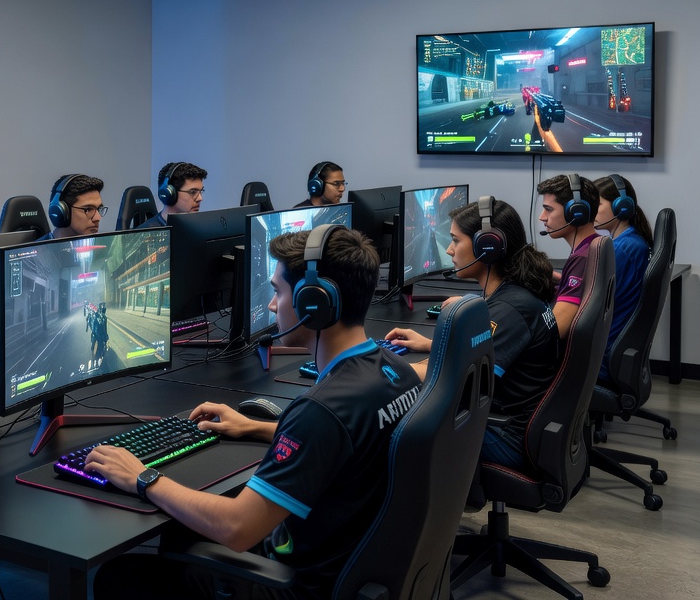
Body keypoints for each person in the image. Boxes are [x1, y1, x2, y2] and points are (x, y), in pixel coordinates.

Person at [87, 226, 420, 600]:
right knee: (184, 526)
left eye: (279, 291)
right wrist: (256, 426)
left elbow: (239, 528)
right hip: (355, 568)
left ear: (316, 302)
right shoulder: (395, 371)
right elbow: (343, 442)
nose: (274, 305)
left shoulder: (321, 411)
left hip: (298, 585)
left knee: (118, 576)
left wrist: (143, 478)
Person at [384, 197, 559, 469]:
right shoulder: (518, 293)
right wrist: (435, 343)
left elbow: (446, 376)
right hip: (514, 423)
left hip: (507, 437)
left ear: (487, 248)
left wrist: (374, 359)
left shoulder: (509, 309)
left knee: (388, 422)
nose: (450, 250)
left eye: (456, 240)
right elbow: (482, 352)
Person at [595, 174, 654, 382]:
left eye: (598, 203)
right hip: (616, 347)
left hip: (603, 356)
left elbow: (594, 302)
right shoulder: (632, 242)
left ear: (621, 207)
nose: (591, 210)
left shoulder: (623, 249)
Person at [537, 173, 601, 340]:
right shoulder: (593, 246)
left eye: (548, 209)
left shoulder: (582, 258)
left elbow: (555, 332)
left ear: (576, 212)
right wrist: (559, 278)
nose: (542, 217)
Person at [142, 161, 208, 228]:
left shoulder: (198, 227)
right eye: (193, 192)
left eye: (201, 191)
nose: (200, 198)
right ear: (169, 194)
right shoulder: (147, 235)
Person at [44, 173, 107, 240]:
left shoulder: (104, 248)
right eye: (88, 210)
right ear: (61, 212)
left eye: (99, 209)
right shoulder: (38, 250)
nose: (98, 218)